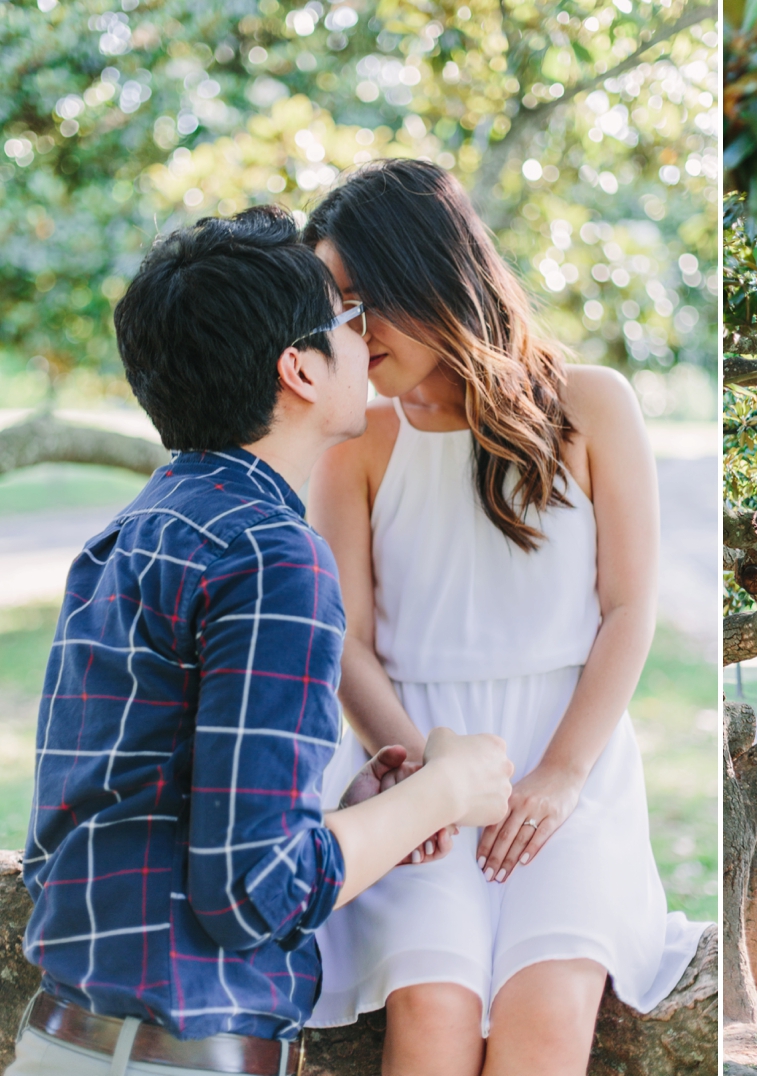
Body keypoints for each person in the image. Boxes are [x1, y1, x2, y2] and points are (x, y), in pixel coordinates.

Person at [11, 206, 515, 1076]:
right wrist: (446, 790)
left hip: (66, 1041)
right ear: (301, 370)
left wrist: (356, 819)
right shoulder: (274, 556)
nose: (367, 343)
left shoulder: (135, 531)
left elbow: (142, 812)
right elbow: (254, 892)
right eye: (348, 324)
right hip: (173, 1058)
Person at [299, 159, 706, 1076]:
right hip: (418, 765)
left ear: (430, 274)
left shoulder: (591, 402)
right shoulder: (358, 439)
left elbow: (629, 607)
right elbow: (346, 642)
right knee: (433, 1012)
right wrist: (416, 771)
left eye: (364, 301)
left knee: (549, 1015)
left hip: (573, 764)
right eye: (338, 310)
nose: (352, 333)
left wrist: (562, 773)